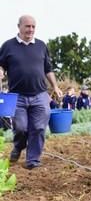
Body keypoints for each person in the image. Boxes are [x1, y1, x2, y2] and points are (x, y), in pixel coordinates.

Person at [0, 15, 62, 169]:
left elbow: (48, 69)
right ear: (19, 26)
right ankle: (18, 146)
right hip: (17, 96)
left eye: (33, 26)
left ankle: (33, 160)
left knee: (39, 128)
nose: (31, 29)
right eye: (27, 26)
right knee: (21, 128)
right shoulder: (8, 46)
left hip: (40, 94)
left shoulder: (41, 46)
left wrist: (55, 86)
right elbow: (1, 65)